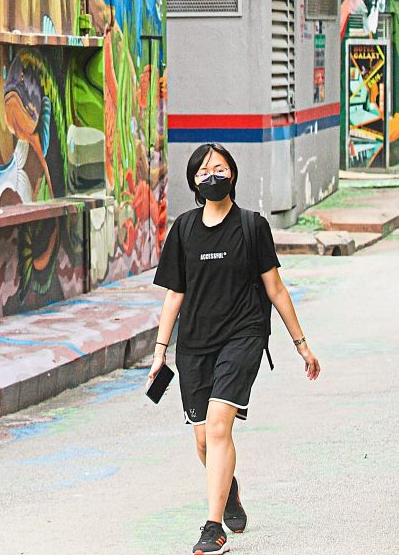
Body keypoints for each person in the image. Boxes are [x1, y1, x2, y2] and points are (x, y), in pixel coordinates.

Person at [147, 143, 321, 554]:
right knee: (204, 441)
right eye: (204, 171)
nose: (212, 176)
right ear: (193, 181)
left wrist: (301, 344)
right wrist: (159, 352)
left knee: (220, 426)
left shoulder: (251, 226)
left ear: (233, 175)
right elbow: (175, 294)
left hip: (243, 338)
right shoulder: (185, 229)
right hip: (194, 345)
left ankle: (212, 527)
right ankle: (229, 491)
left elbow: (275, 288)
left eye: (220, 169)